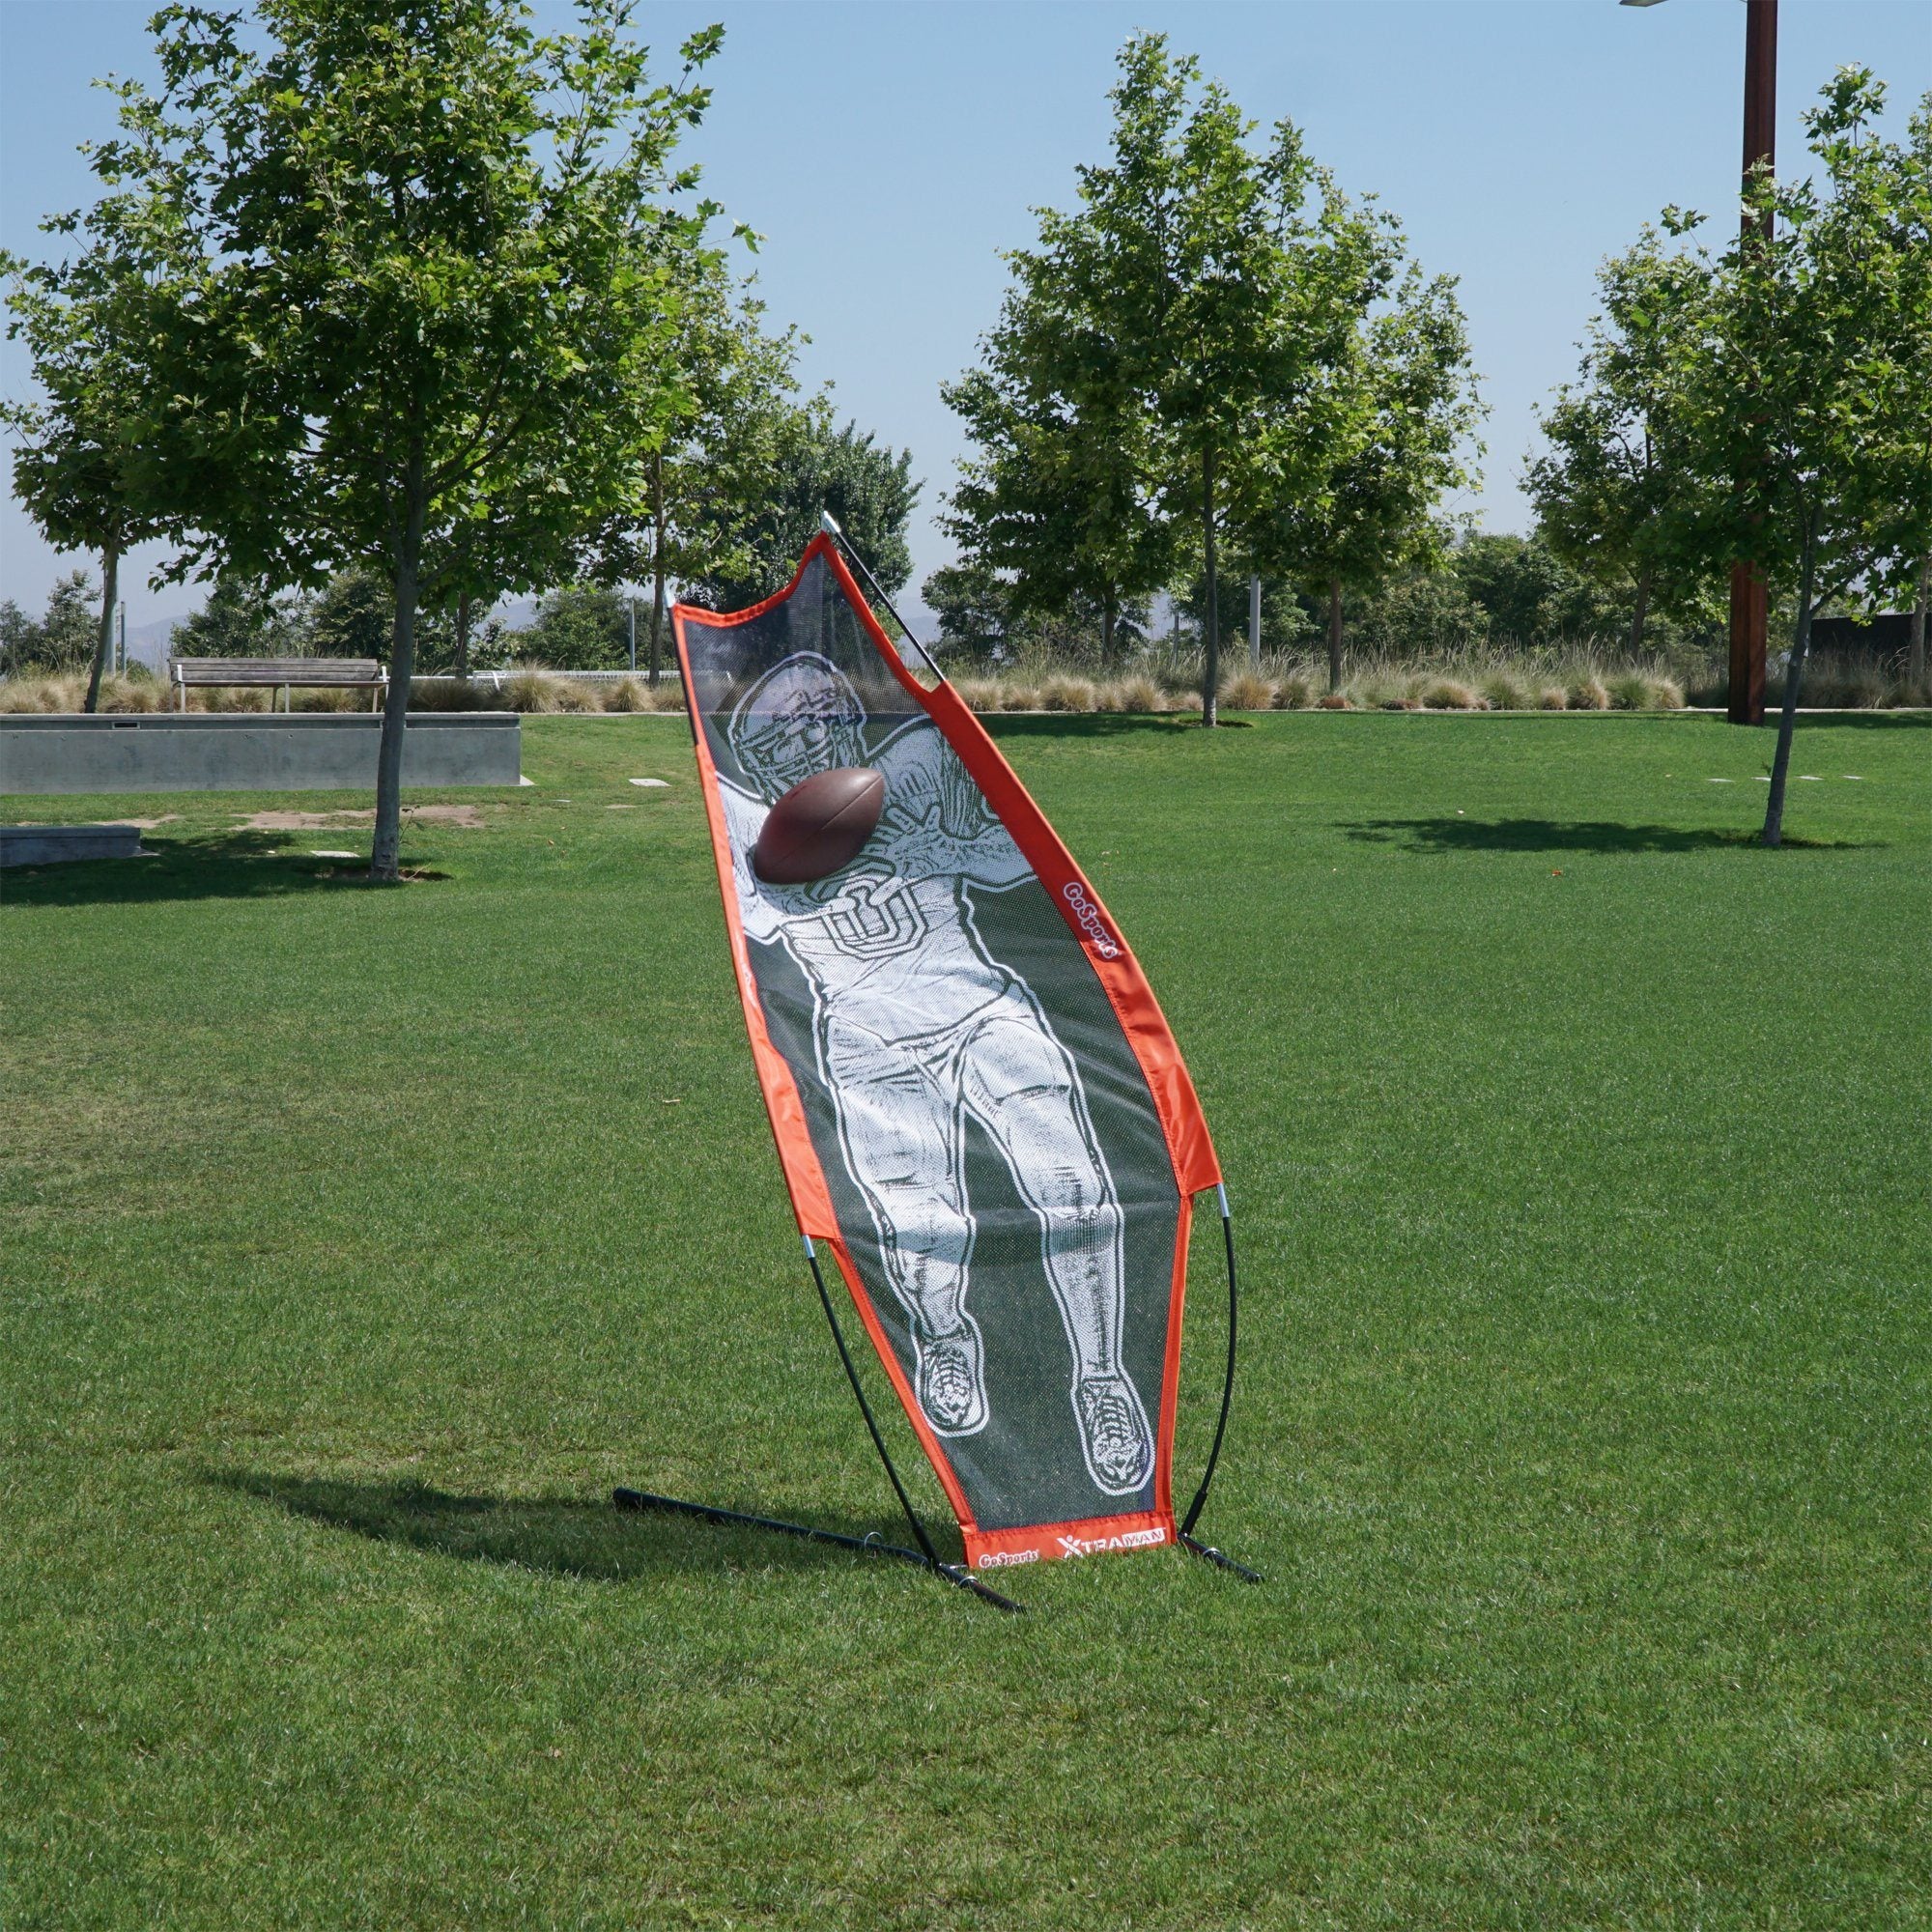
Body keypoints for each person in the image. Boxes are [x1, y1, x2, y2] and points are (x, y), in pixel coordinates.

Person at [717, 652, 1153, 1496]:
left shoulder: (918, 762)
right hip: (868, 1036)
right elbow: (759, 918)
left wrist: (938, 844)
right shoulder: (746, 824)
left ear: (846, 707)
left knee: (1078, 1189)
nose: (808, 726)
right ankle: (947, 1341)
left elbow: (1021, 861)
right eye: (784, 722)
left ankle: (1100, 1380)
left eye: (818, 705)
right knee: (920, 1227)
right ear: (761, 757)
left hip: (979, 1003)